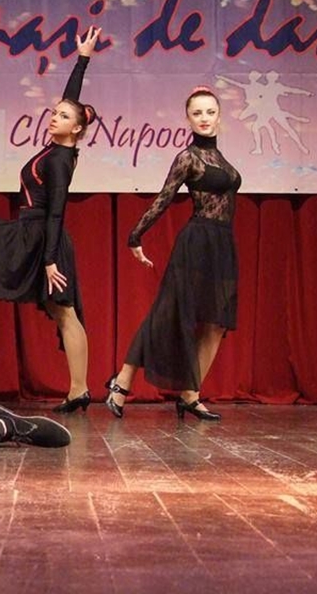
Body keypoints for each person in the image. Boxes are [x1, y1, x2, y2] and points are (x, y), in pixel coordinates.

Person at [0, 27, 101, 414]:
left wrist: (49, 260)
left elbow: (57, 211)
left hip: (43, 239)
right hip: (33, 234)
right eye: (54, 113)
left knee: (64, 311)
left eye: (63, 116)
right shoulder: (58, 146)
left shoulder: (60, 160)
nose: (54, 117)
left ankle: (79, 389)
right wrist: (82, 59)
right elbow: (72, 102)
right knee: (61, 311)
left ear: (76, 128)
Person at [105, 87, 241, 422]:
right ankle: (122, 381)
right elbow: (163, 198)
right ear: (188, 119)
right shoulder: (188, 158)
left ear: (219, 116)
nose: (204, 118)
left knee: (216, 324)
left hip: (223, 244)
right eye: (197, 113)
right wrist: (135, 235)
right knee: (167, 314)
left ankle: (191, 395)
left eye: (210, 112)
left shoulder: (221, 159)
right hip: (196, 243)